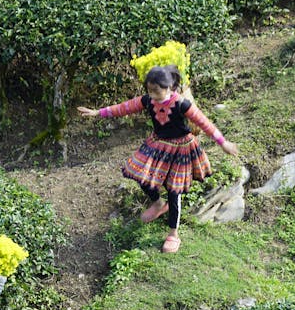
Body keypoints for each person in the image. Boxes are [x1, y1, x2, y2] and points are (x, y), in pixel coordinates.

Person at [78, 64, 239, 253]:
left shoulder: (182, 104)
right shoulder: (148, 101)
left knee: (174, 190)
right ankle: (157, 203)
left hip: (181, 149)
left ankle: (173, 234)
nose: (153, 95)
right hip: (158, 144)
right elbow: (124, 108)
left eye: (157, 91)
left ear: (169, 87)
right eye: (149, 90)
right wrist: (98, 112)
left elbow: (204, 123)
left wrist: (223, 142)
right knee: (139, 174)